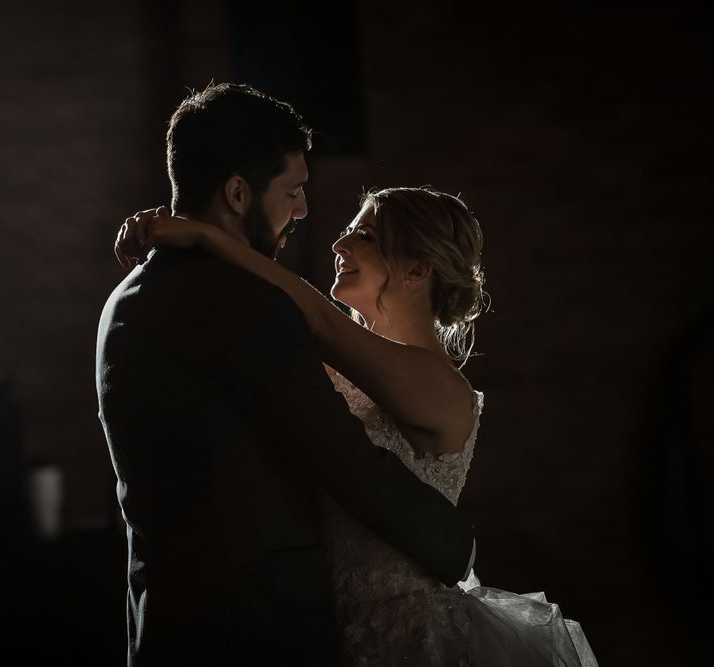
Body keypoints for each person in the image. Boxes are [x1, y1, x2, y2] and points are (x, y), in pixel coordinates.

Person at [116, 186, 599, 665]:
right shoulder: (334, 371)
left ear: (417, 268)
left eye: (364, 236)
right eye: (348, 231)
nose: (338, 244)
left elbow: (320, 320)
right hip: (323, 631)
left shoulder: (441, 387)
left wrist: (205, 236)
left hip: (407, 640)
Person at [96, 83, 475, 666]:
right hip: (254, 628)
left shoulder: (125, 299)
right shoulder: (245, 307)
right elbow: (342, 456)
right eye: (293, 191)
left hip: (165, 621)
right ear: (238, 193)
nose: (303, 212)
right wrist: (456, 546)